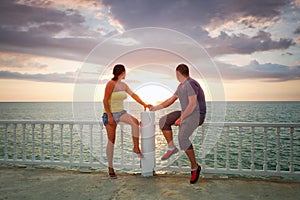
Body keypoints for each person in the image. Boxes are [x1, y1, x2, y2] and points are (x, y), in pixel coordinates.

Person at [150, 64, 206, 184]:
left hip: (197, 115)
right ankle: (171, 147)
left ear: (178, 73)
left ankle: (195, 167)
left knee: (182, 138)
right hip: (187, 113)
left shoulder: (191, 84)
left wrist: (181, 118)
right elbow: (171, 100)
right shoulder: (181, 86)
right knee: (163, 121)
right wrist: (155, 108)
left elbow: (192, 104)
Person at [102, 64, 150, 179]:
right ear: (122, 72)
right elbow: (105, 100)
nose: (125, 74)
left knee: (135, 123)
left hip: (121, 112)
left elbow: (134, 95)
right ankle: (110, 168)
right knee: (111, 141)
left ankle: (135, 147)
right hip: (110, 114)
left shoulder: (124, 85)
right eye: (125, 72)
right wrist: (109, 116)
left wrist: (143, 103)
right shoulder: (110, 84)